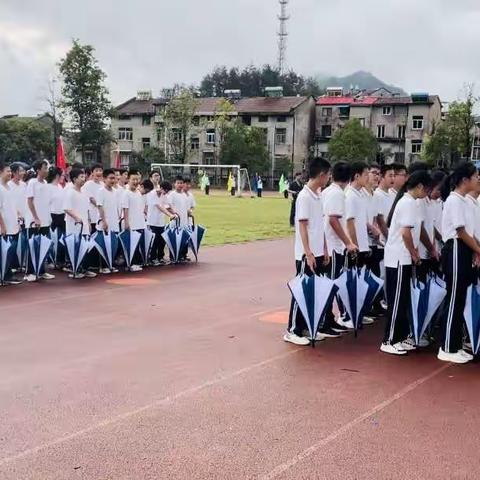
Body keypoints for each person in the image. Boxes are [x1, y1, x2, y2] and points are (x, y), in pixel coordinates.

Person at [381, 170, 432, 356]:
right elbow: (405, 233)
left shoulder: (411, 202)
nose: (427, 193)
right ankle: (389, 340)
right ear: (419, 187)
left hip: (403, 258)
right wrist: (414, 253)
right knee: (397, 301)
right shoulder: (408, 203)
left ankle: (400, 337)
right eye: (426, 189)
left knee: (403, 300)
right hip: (399, 258)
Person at [284, 157, 332, 346]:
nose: (328, 178)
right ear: (321, 175)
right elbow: (302, 226)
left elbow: (320, 225)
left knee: (312, 291)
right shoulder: (304, 196)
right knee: (301, 291)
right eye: (328, 175)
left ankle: (305, 327)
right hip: (306, 253)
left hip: (318, 251)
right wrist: (308, 252)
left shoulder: (318, 195)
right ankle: (293, 329)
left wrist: (325, 249)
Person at [438, 162, 480, 364]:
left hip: (464, 250)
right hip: (454, 248)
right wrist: (478, 249)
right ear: (465, 180)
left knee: (460, 298)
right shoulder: (454, 200)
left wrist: (475, 250)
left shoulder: (464, 201)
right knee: (454, 298)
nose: (478, 179)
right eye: (475, 176)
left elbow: (470, 233)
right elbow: (461, 232)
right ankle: (446, 346)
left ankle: (454, 344)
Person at [322, 161, 358, 335]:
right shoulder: (336, 194)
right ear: (349, 178)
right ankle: (324, 321)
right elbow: (333, 220)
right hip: (334, 247)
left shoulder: (329, 191)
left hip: (330, 245)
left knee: (331, 285)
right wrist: (348, 243)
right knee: (331, 285)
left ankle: (328, 319)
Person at [24, 160, 55, 282]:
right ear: (38, 170)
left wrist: (47, 218)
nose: (47, 170)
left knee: (43, 247)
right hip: (34, 222)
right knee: (33, 247)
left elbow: (46, 203)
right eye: (45, 168)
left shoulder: (46, 183)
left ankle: (41, 271)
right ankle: (29, 272)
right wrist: (36, 217)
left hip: (45, 221)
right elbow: (30, 201)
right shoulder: (32, 182)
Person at [64, 168, 96, 279]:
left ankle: (84, 268)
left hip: (85, 225)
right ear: (74, 179)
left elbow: (86, 209)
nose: (84, 179)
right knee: (76, 247)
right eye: (81, 177)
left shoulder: (84, 192)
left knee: (85, 247)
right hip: (75, 225)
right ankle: (75, 269)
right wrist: (77, 218)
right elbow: (67, 208)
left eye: (84, 177)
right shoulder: (70, 192)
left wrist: (88, 221)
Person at [345, 162, 371, 268]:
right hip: (356, 248)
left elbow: (362, 221)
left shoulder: (361, 194)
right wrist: (355, 246)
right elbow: (349, 222)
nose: (368, 178)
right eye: (366, 175)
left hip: (363, 246)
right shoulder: (350, 195)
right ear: (356, 176)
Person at [0, 162, 22, 284]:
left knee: (10, 252)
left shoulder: (9, 187)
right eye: (7, 171)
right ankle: (5, 275)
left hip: (13, 225)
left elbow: (13, 206)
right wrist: (2, 226)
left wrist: (18, 218)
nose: (10, 173)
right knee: (5, 252)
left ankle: (7, 274)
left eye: (10, 171)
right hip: (5, 227)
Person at [97, 168, 121, 274]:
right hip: (105, 223)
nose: (113, 180)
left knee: (113, 244)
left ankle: (110, 264)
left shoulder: (116, 192)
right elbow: (100, 207)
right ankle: (103, 266)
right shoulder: (101, 191)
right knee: (104, 245)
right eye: (111, 178)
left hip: (114, 222)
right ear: (104, 179)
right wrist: (104, 221)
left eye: (114, 178)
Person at [122, 169, 146, 272]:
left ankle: (136, 262)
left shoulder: (138, 193)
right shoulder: (126, 193)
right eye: (133, 179)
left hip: (139, 222)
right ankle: (131, 263)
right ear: (128, 179)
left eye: (137, 179)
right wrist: (127, 223)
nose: (135, 182)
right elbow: (125, 209)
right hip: (131, 223)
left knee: (138, 244)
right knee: (132, 245)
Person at [146, 180, 175, 266]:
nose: (166, 193)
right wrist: (170, 215)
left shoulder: (164, 195)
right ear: (161, 188)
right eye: (165, 191)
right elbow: (160, 207)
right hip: (152, 222)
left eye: (167, 192)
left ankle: (160, 257)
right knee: (154, 241)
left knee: (162, 241)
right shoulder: (152, 194)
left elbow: (168, 205)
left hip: (161, 222)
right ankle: (152, 258)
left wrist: (175, 213)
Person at [47, 167, 66, 267]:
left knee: (62, 239)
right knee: (52, 239)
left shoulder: (60, 186)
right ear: (57, 176)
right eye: (62, 175)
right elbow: (46, 204)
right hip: (52, 216)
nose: (64, 177)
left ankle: (60, 261)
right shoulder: (48, 187)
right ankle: (51, 260)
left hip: (61, 215)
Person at [374, 164, 395, 245]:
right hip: (383, 242)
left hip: (392, 240)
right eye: (390, 176)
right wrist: (390, 240)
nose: (393, 178)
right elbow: (380, 221)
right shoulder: (377, 194)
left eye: (394, 176)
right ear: (382, 177)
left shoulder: (392, 194)